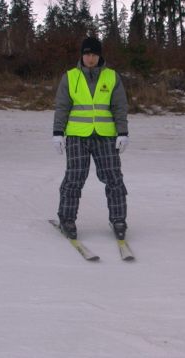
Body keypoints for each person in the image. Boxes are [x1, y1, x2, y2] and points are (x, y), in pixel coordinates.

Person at [52, 36, 130, 240]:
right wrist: (58, 133)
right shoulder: (70, 77)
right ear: (82, 55)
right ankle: (67, 218)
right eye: (87, 54)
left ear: (99, 56)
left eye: (94, 54)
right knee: (74, 177)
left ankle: (118, 219)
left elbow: (119, 107)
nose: (90, 58)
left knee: (114, 178)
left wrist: (122, 132)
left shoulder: (112, 77)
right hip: (77, 136)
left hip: (105, 136)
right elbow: (62, 107)